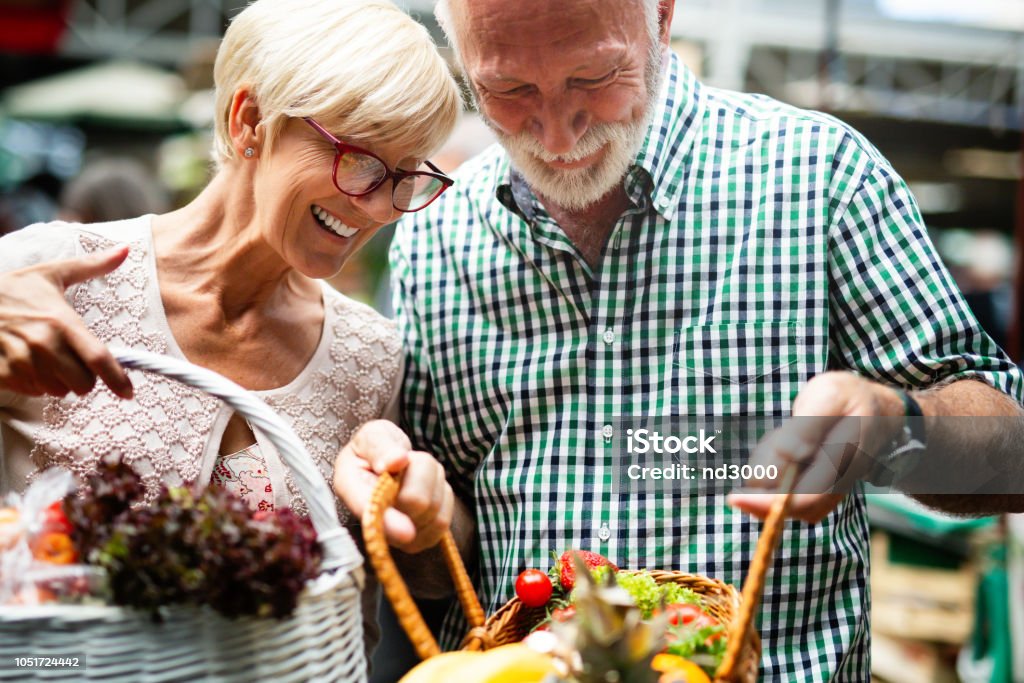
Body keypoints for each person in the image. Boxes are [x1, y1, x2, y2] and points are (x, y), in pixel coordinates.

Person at [332, 0, 1024, 680]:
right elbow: (445, 548)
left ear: (661, 16)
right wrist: (420, 523)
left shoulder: (821, 179)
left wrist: (893, 430)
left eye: (593, 78)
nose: (557, 129)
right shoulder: (436, 237)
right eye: (507, 89)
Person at [0, 0, 460, 665]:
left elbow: (402, 582)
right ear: (249, 121)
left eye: (405, 175)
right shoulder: (47, 276)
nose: (377, 206)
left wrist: (421, 521)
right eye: (359, 158)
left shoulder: (369, 353)